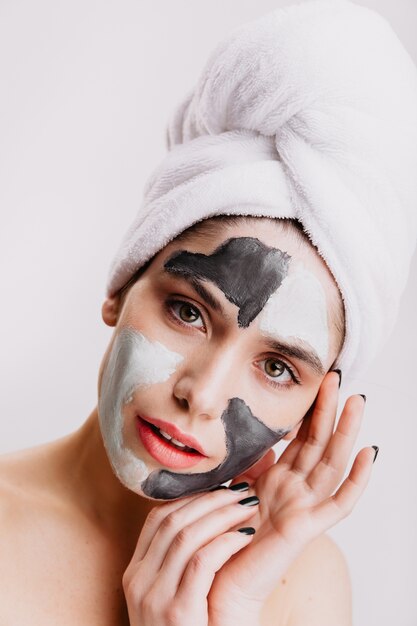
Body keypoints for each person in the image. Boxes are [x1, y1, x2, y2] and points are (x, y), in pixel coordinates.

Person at [1, 1, 417, 625]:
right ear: (121, 286)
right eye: (189, 312)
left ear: (314, 411)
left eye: (278, 368)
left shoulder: (302, 587)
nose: (203, 395)